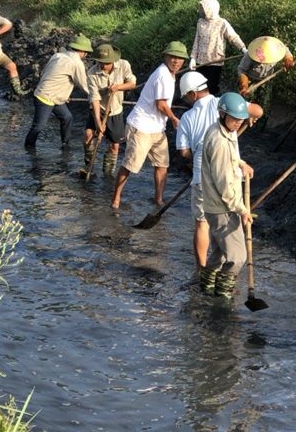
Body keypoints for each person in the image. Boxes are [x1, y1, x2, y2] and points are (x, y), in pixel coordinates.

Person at [178, 72, 263, 268]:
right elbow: (258, 111)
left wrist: (202, 163)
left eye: (186, 97)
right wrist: (247, 114)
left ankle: (202, 269)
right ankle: (216, 271)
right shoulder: (225, 102)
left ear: (191, 93)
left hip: (201, 176)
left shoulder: (188, 117)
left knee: (202, 224)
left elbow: (183, 152)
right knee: (223, 227)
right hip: (227, 175)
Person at [110, 41, 188, 209]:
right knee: (130, 164)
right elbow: (161, 105)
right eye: (173, 57)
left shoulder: (170, 74)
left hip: (157, 128)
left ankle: (158, 200)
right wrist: (174, 119)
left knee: (162, 165)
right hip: (141, 126)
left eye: (180, 58)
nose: (177, 61)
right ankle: (116, 199)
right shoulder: (163, 75)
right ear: (165, 57)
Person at [200, 92, 255, 299]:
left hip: (215, 205)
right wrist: (242, 210)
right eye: (234, 119)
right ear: (222, 114)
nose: (238, 123)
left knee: (219, 254)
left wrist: (242, 164)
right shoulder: (220, 141)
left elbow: (231, 160)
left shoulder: (221, 130)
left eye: (240, 119)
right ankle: (221, 300)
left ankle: (205, 291)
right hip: (224, 207)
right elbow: (224, 185)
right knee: (237, 257)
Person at [25, 35, 93, 148]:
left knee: (67, 117)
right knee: (38, 127)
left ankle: (65, 144)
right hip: (46, 97)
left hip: (47, 94)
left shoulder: (58, 55)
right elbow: (84, 85)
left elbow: (48, 73)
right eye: (86, 53)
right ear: (83, 51)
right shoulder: (76, 63)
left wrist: (62, 95)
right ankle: (29, 147)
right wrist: (97, 97)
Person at [84, 44, 136, 174]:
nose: (104, 66)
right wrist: (97, 121)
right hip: (99, 108)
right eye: (101, 62)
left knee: (114, 145)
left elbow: (132, 83)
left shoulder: (123, 65)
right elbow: (94, 98)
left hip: (115, 110)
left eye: (107, 63)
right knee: (88, 135)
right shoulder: (92, 73)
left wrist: (118, 87)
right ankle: (89, 166)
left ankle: (108, 174)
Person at [189, 0, 247, 95]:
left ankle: (213, 105)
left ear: (210, 9)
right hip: (200, 61)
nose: (200, 11)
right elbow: (197, 41)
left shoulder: (222, 23)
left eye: (202, 8)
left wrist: (243, 49)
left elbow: (233, 37)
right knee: (199, 86)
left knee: (211, 86)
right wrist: (193, 58)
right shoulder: (200, 22)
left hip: (215, 60)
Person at [237, 35, 295, 128]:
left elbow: (286, 51)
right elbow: (241, 70)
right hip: (250, 81)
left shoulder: (277, 50)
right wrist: (244, 85)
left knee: (263, 105)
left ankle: (258, 127)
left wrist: (288, 60)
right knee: (245, 104)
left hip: (266, 80)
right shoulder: (250, 54)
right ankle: (240, 124)